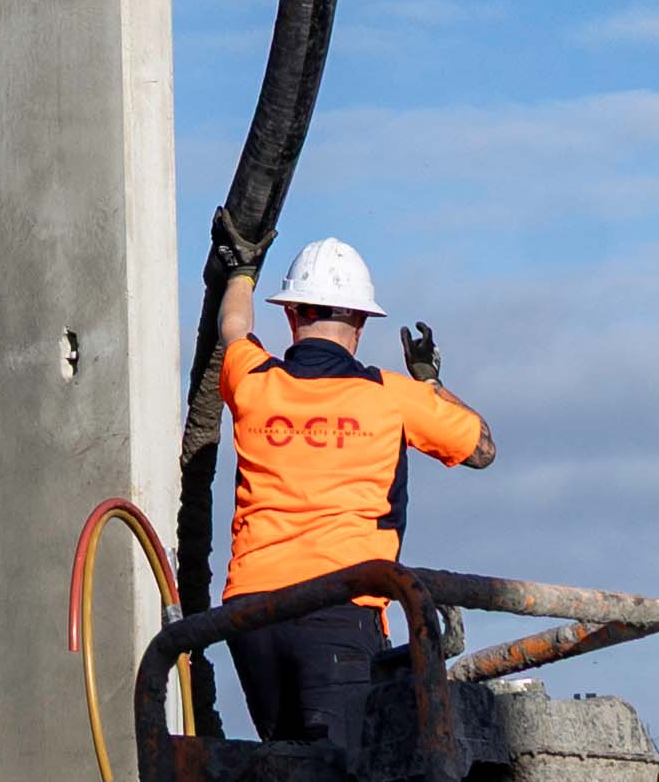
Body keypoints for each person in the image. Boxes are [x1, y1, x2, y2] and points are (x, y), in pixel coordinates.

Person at [210, 235, 492, 755]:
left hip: (250, 616)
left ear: (292, 313)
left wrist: (242, 270)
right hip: (341, 607)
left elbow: (233, 328)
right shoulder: (390, 395)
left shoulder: (254, 381)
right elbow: (480, 447)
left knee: (285, 776)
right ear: (362, 322)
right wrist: (430, 381)